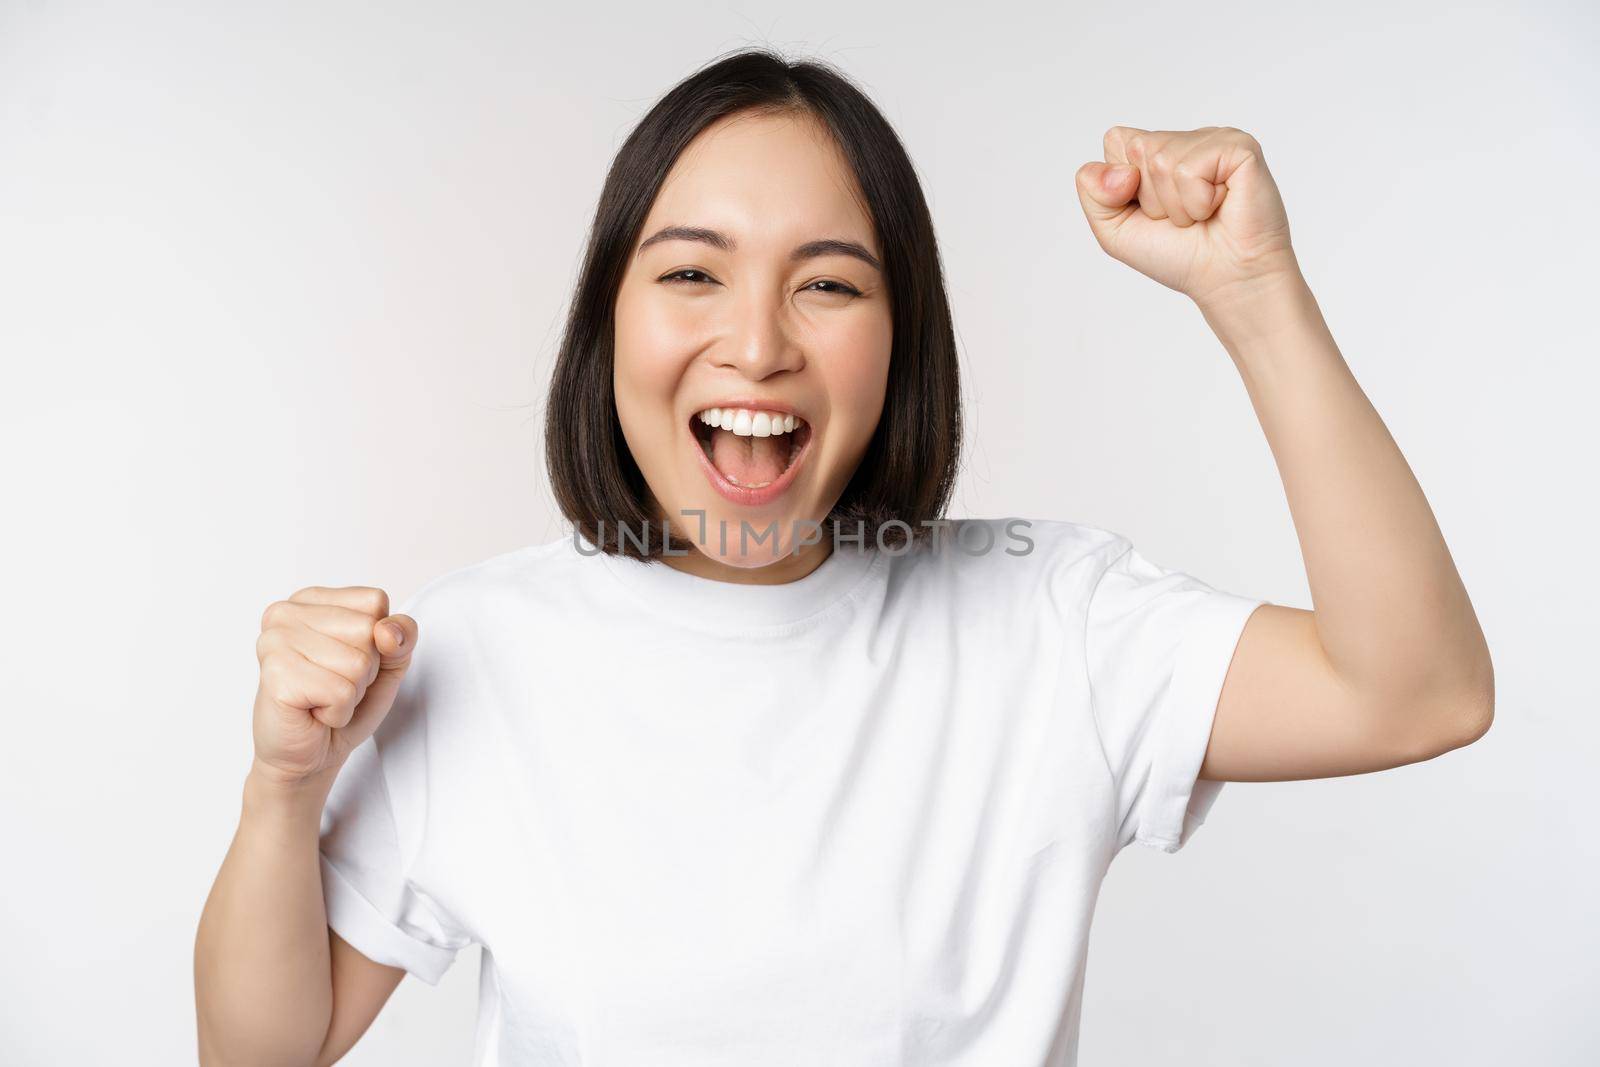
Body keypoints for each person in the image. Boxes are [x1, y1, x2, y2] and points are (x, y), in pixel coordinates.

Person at [194, 47, 1494, 1066]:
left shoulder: (1051, 624)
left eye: (828, 283)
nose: (756, 346)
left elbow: (1418, 692)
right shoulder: (475, 650)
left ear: (900, 340)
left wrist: (1257, 292)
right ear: (608, 323)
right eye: (692, 275)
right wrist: (282, 786)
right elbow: (268, 1054)